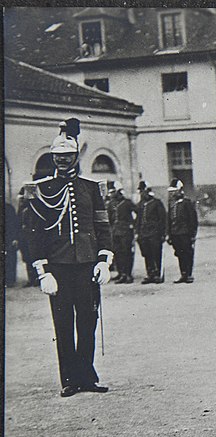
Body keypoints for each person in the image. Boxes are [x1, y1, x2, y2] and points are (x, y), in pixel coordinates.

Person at [22, 118, 112, 397]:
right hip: (58, 266)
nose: (62, 161)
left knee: (88, 320)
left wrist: (103, 260)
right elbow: (34, 234)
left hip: (86, 264)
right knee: (62, 324)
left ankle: (86, 376)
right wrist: (42, 270)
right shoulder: (42, 190)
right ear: (53, 158)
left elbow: (102, 226)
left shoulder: (91, 188)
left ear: (75, 157)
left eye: (68, 156)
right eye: (58, 157)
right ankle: (69, 380)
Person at [166, 179, 198, 283]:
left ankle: (188, 274)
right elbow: (169, 220)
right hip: (175, 233)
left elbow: (193, 220)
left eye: (174, 191)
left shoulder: (187, 203)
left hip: (185, 233)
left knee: (187, 254)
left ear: (180, 191)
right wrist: (169, 234)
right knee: (179, 254)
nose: (172, 193)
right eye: (171, 192)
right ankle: (183, 274)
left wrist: (193, 234)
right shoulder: (172, 204)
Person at [135, 181, 166, 283]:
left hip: (154, 234)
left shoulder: (157, 203)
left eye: (143, 191)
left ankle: (157, 274)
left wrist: (163, 233)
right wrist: (137, 232)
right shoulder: (140, 205)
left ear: (147, 191)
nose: (142, 194)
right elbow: (138, 220)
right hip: (144, 234)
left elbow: (162, 219)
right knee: (147, 254)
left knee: (156, 254)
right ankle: (150, 274)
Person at [109, 185, 136, 283]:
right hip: (115, 231)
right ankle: (121, 273)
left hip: (126, 231)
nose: (112, 194)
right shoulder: (111, 204)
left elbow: (137, 213)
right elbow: (109, 218)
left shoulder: (127, 203)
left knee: (127, 253)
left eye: (114, 192)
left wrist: (132, 224)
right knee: (117, 253)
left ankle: (128, 274)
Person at [5, 200, 21, 286]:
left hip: (9, 237)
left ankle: (10, 280)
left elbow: (15, 224)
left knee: (10, 259)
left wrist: (15, 238)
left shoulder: (9, 208)